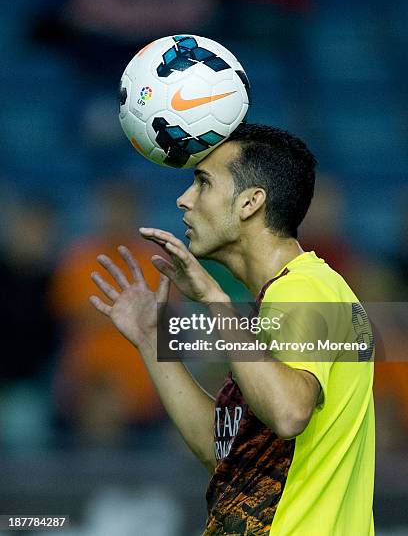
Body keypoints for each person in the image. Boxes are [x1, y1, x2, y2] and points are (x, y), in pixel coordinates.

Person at [90, 123, 375, 535]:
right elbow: (226, 452)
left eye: (203, 183)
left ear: (250, 203)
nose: (184, 199)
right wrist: (151, 341)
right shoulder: (276, 301)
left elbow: (289, 412)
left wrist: (216, 303)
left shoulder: (306, 288)